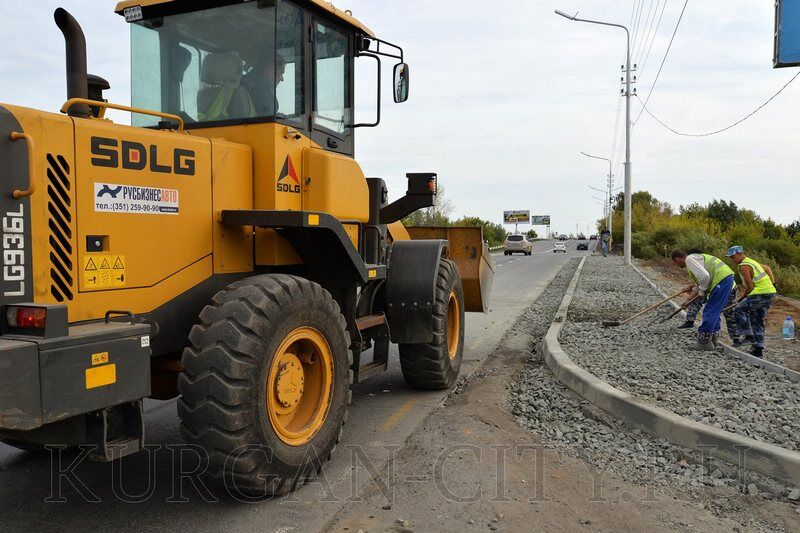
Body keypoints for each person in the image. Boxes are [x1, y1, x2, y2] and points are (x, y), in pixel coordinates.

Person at [671, 250, 738, 351]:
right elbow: (699, 284)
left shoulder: (689, 259)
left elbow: (705, 277)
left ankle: (704, 342)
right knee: (715, 311)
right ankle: (713, 340)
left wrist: (702, 291)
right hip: (725, 279)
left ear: (677, 259)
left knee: (710, 310)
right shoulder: (696, 260)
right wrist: (688, 300)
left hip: (721, 280)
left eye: (675, 263)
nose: (677, 265)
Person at [726, 246, 778, 358]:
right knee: (757, 318)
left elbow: (750, 286)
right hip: (770, 293)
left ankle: (749, 336)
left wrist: (743, 297)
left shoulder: (744, 266)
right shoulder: (752, 262)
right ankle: (758, 349)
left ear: (740, 254)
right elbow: (767, 268)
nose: (732, 260)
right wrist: (773, 284)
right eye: (731, 258)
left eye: (733, 257)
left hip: (760, 293)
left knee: (739, 310)